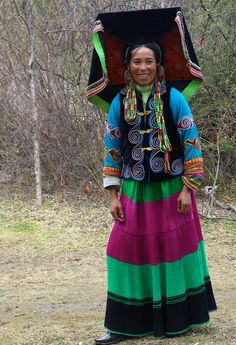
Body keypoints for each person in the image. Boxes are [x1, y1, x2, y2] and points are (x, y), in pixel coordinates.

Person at [94, 41, 217, 345]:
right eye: (137, 62)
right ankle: (123, 324)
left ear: (158, 65)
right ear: (128, 66)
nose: (143, 68)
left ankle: (177, 318)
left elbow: (191, 140)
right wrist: (113, 195)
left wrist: (189, 188)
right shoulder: (119, 103)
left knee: (170, 252)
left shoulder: (173, 98)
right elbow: (112, 148)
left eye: (149, 61)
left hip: (172, 189)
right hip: (134, 190)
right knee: (121, 251)